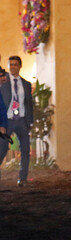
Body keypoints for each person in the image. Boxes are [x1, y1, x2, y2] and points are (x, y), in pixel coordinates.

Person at [0, 56, 34, 187]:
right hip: (7, 120)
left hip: (21, 120)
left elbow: (29, 103)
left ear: (20, 66)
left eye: (15, 65)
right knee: (2, 147)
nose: (13, 67)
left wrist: (30, 121)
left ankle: (23, 178)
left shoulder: (26, 84)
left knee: (25, 149)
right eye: (11, 65)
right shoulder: (3, 83)